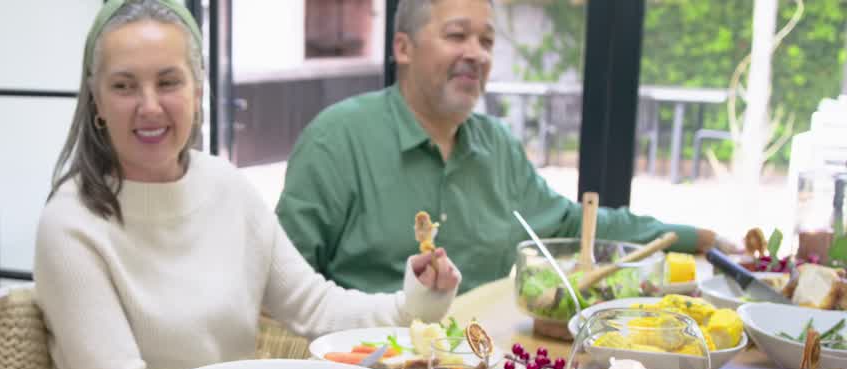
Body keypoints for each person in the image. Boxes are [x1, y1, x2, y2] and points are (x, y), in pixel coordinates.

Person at [35, 0, 461, 369]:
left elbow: (317, 307)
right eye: (124, 86)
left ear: (198, 90)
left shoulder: (226, 187)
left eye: (168, 82)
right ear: (96, 100)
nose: (149, 106)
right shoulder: (71, 223)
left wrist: (414, 301)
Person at [277, 0, 728, 294]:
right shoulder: (336, 140)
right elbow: (282, 283)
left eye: (487, 40)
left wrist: (697, 238)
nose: (477, 53)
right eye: (457, 35)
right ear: (403, 48)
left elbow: (576, 224)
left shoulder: (498, 146)